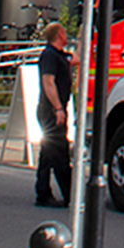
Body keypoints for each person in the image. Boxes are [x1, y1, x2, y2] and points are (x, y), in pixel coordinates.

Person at [35, 21, 73, 207]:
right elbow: (48, 82)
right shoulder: (50, 56)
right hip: (51, 110)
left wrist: (83, 37)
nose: (67, 37)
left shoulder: (58, 55)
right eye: (64, 33)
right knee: (59, 152)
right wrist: (58, 108)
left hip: (52, 109)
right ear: (59, 35)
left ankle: (42, 192)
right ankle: (70, 195)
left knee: (47, 152)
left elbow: (76, 59)